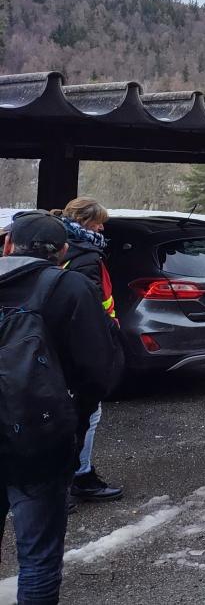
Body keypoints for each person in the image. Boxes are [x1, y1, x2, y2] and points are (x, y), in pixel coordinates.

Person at [0, 210, 123, 604]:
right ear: (63, 251)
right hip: (40, 437)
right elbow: (101, 370)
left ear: (8, 245)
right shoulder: (69, 287)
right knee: (38, 556)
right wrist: (77, 417)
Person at [56, 196, 123, 503]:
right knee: (85, 413)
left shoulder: (62, 246)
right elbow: (89, 305)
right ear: (84, 222)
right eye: (99, 223)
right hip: (82, 345)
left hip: (61, 345)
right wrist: (110, 334)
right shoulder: (85, 255)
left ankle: (72, 478)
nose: (102, 228)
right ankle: (74, 480)